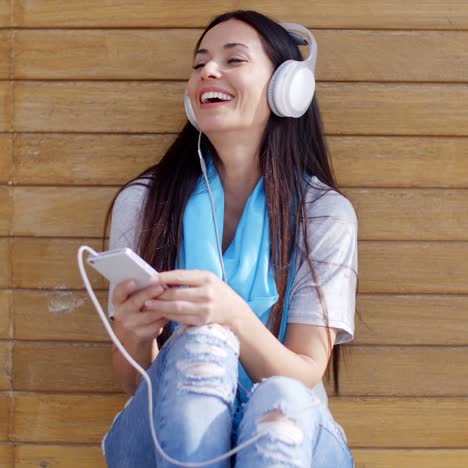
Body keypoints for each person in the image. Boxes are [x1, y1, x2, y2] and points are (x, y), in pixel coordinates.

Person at [101, 10, 357, 468]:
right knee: (199, 349)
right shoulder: (143, 202)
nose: (208, 72)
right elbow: (132, 380)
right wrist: (134, 336)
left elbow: (304, 375)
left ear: (288, 88)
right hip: (168, 427)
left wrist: (232, 315)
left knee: (279, 401)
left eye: (232, 60)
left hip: (290, 429)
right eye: (200, 64)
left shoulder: (324, 213)